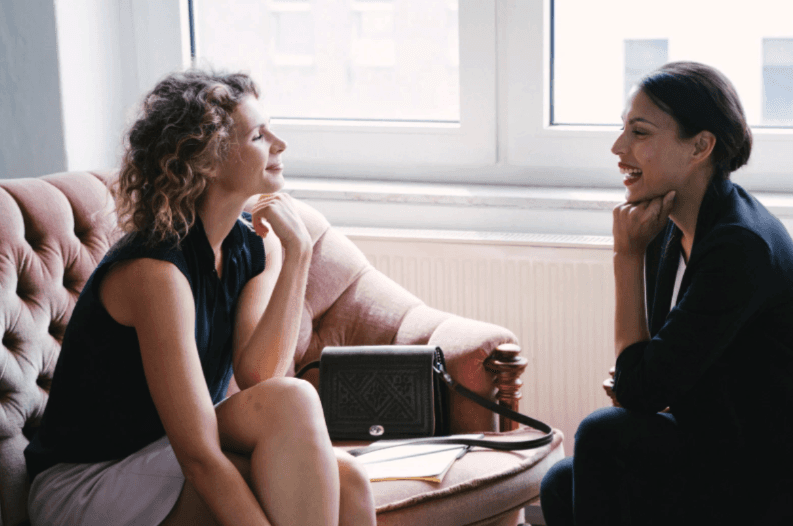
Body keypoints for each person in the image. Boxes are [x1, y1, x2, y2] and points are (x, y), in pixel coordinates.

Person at [24, 70, 377, 526]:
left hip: (162, 454)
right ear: (208, 160)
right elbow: (200, 460)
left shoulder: (251, 246)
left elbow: (260, 377)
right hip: (87, 483)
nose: (280, 144)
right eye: (258, 135)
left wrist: (298, 257)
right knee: (294, 429)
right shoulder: (155, 272)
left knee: (347, 476)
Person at [540, 61, 793, 525]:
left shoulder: (740, 246)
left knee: (601, 433)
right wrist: (640, 380)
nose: (618, 149)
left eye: (639, 132)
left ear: (700, 146)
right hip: (711, 438)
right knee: (561, 483)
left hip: (759, 471)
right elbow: (646, 375)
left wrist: (625, 257)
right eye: (623, 130)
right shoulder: (668, 225)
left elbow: (638, 389)